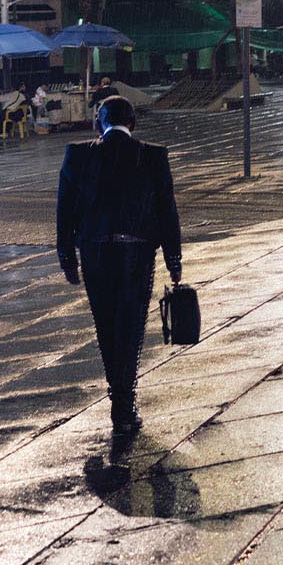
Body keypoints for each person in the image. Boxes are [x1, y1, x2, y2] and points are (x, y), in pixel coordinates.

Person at [56, 95, 183, 434]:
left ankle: (119, 393)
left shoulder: (78, 155)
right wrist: (174, 258)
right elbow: (167, 211)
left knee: (105, 325)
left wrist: (66, 255)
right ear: (134, 123)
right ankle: (123, 403)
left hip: (95, 252)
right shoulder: (153, 156)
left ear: (100, 123)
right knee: (130, 325)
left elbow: (64, 210)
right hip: (137, 254)